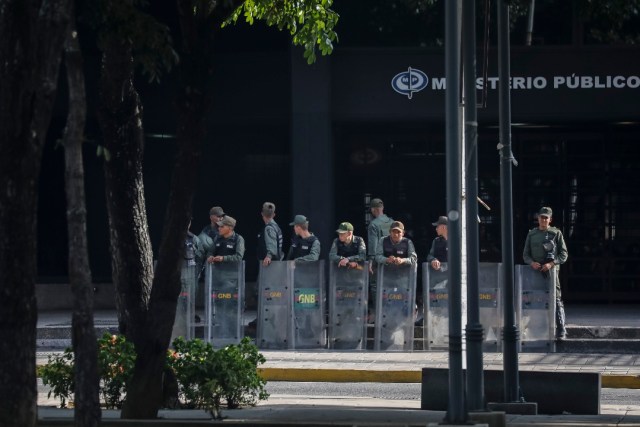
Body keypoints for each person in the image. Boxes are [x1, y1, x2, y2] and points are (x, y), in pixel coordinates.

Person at [523, 206, 569, 340]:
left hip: (551, 273)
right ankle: (532, 328)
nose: (543, 220)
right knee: (533, 298)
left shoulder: (556, 233)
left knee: (556, 298)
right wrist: (532, 263)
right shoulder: (532, 234)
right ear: (537, 219)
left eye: (546, 218)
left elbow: (564, 254)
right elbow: (525, 255)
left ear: (550, 220)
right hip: (535, 272)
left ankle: (561, 329)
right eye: (541, 217)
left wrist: (551, 263)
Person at [367, 198, 394, 262]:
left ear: (373, 210)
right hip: (394, 259)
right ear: (382, 208)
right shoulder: (393, 222)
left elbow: (373, 246)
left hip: (381, 261)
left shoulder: (373, 224)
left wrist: (371, 260)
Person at [257, 201, 284, 266]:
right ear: (274, 214)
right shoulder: (276, 226)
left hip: (270, 264)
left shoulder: (269, 228)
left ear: (262, 214)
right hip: (275, 262)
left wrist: (269, 256)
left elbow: (272, 244)